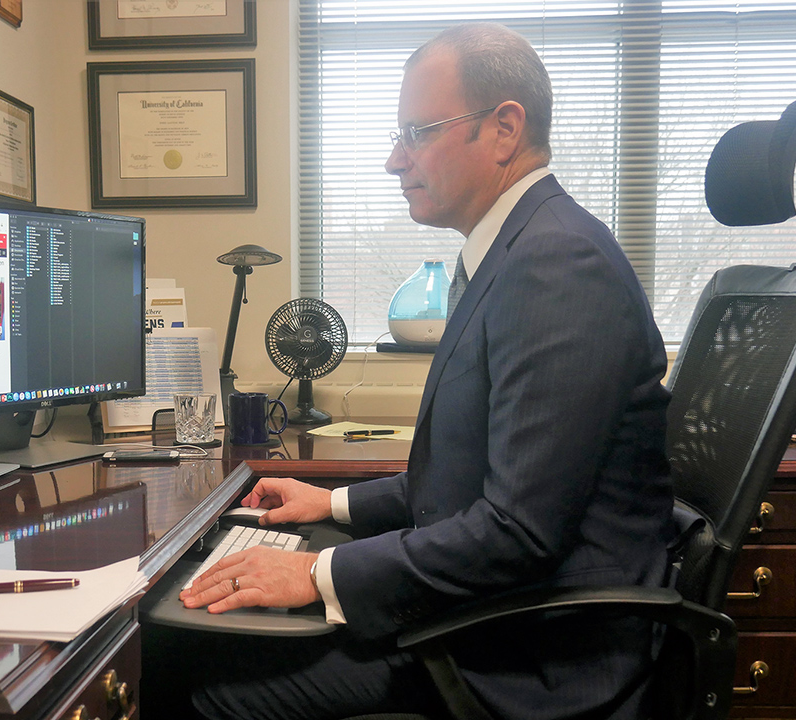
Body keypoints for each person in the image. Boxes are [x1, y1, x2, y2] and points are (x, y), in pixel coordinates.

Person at [157, 22, 675, 720]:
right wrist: (333, 505)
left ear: (503, 129)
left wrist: (315, 570)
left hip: (535, 655)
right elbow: (472, 479)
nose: (394, 160)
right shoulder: (514, 250)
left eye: (417, 131)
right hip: (501, 615)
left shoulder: (557, 265)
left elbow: (517, 531)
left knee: (193, 673)